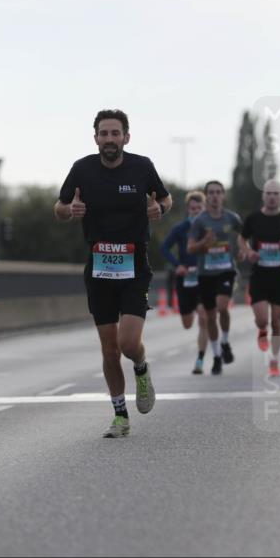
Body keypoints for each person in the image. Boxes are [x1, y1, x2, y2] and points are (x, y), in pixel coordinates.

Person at [54, 109, 172, 438]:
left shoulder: (142, 167)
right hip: (99, 269)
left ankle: (142, 367)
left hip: (134, 267)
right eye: (103, 134)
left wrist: (159, 209)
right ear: (96, 139)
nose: (109, 139)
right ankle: (120, 415)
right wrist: (69, 211)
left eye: (115, 133)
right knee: (109, 350)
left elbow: (166, 199)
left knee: (128, 343)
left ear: (126, 137)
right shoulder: (82, 169)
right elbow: (59, 208)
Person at [239, 179, 280, 377]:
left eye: (276, 194)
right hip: (259, 275)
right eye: (269, 193)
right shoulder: (253, 219)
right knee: (262, 319)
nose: (272, 197)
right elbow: (241, 238)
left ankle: (274, 360)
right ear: (263, 196)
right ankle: (261, 330)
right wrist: (248, 251)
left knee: (277, 321)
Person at [187, 181, 242, 374]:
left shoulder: (231, 218)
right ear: (206, 196)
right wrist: (204, 242)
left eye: (219, 192)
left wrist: (244, 248)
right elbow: (190, 248)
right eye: (211, 193)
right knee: (210, 317)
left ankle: (225, 341)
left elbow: (245, 233)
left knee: (222, 307)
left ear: (223, 195)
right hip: (206, 273)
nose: (215, 196)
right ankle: (217, 355)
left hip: (226, 270)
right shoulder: (200, 221)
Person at [161, 190, 209, 374]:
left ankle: (200, 360)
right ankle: (193, 311)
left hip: (204, 279)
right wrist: (177, 265)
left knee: (203, 318)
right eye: (192, 208)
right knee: (187, 323)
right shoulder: (180, 229)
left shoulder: (209, 229)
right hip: (185, 278)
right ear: (188, 209)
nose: (195, 211)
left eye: (199, 208)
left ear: (204, 209)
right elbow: (164, 248)